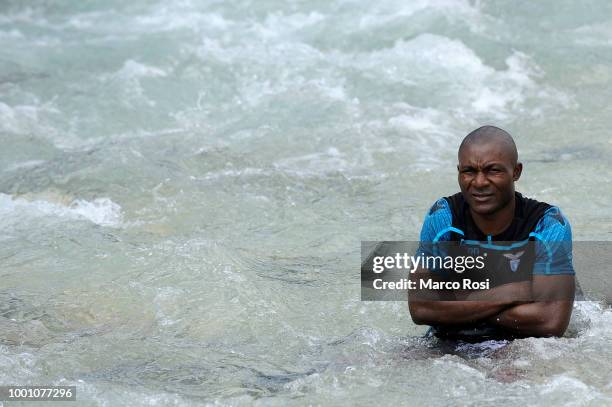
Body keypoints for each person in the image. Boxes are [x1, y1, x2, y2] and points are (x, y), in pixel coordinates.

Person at [408, 125, 575, 341]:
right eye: (469, 171)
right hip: (450, 343)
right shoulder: (443, 219)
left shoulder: (548, 225)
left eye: (492, 170)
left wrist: (460, 303)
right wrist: (515, 292)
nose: (479, 182)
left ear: (516, 172)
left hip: (519, 349)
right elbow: (420, 308)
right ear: (458, 171)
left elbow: (551, 322)